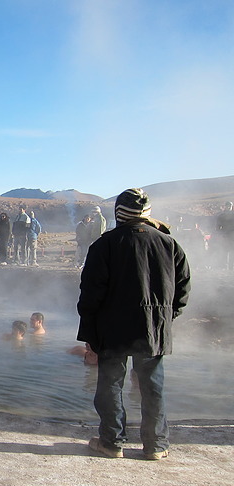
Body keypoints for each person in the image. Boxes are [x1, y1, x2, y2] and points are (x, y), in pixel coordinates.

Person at [78, 188, 191, 460]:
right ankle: (156, 445)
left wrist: (90, 332)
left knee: (110, 385)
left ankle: (112, 442)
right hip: (153, 328)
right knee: (152, 387)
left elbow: (91, 293)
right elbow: (182, 289)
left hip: (112, 329)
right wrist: (165, 318)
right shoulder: (169, 244)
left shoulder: (105, 245)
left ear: (119, 213)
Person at [215, 201, 234, 269]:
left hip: (232, 236)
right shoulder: (221, 216)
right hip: (225, 236)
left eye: (230, 206)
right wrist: (221, 234)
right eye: (227, 206)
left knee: (232, 252)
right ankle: (223, 266)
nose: (228, 207)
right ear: (225, 206)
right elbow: (218, 227)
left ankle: (231, 267)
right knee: (224, 251)